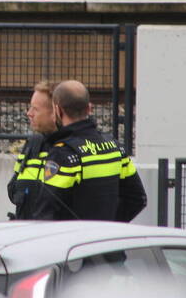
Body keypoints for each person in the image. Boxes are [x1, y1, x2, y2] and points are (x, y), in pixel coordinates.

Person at [36, 80, 146, 221]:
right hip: (106, 234)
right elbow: (137, 199)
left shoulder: (63, 154)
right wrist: (110, 226)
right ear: (89, 108)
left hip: (75, 234)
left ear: (58, 110)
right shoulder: (115, 147)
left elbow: (46, 211)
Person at [7, 80, 58, 219]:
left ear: (56, 112)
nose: (29, 113)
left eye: (35, 109)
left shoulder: (69, 148)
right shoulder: (33, 143)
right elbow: (13, 187)